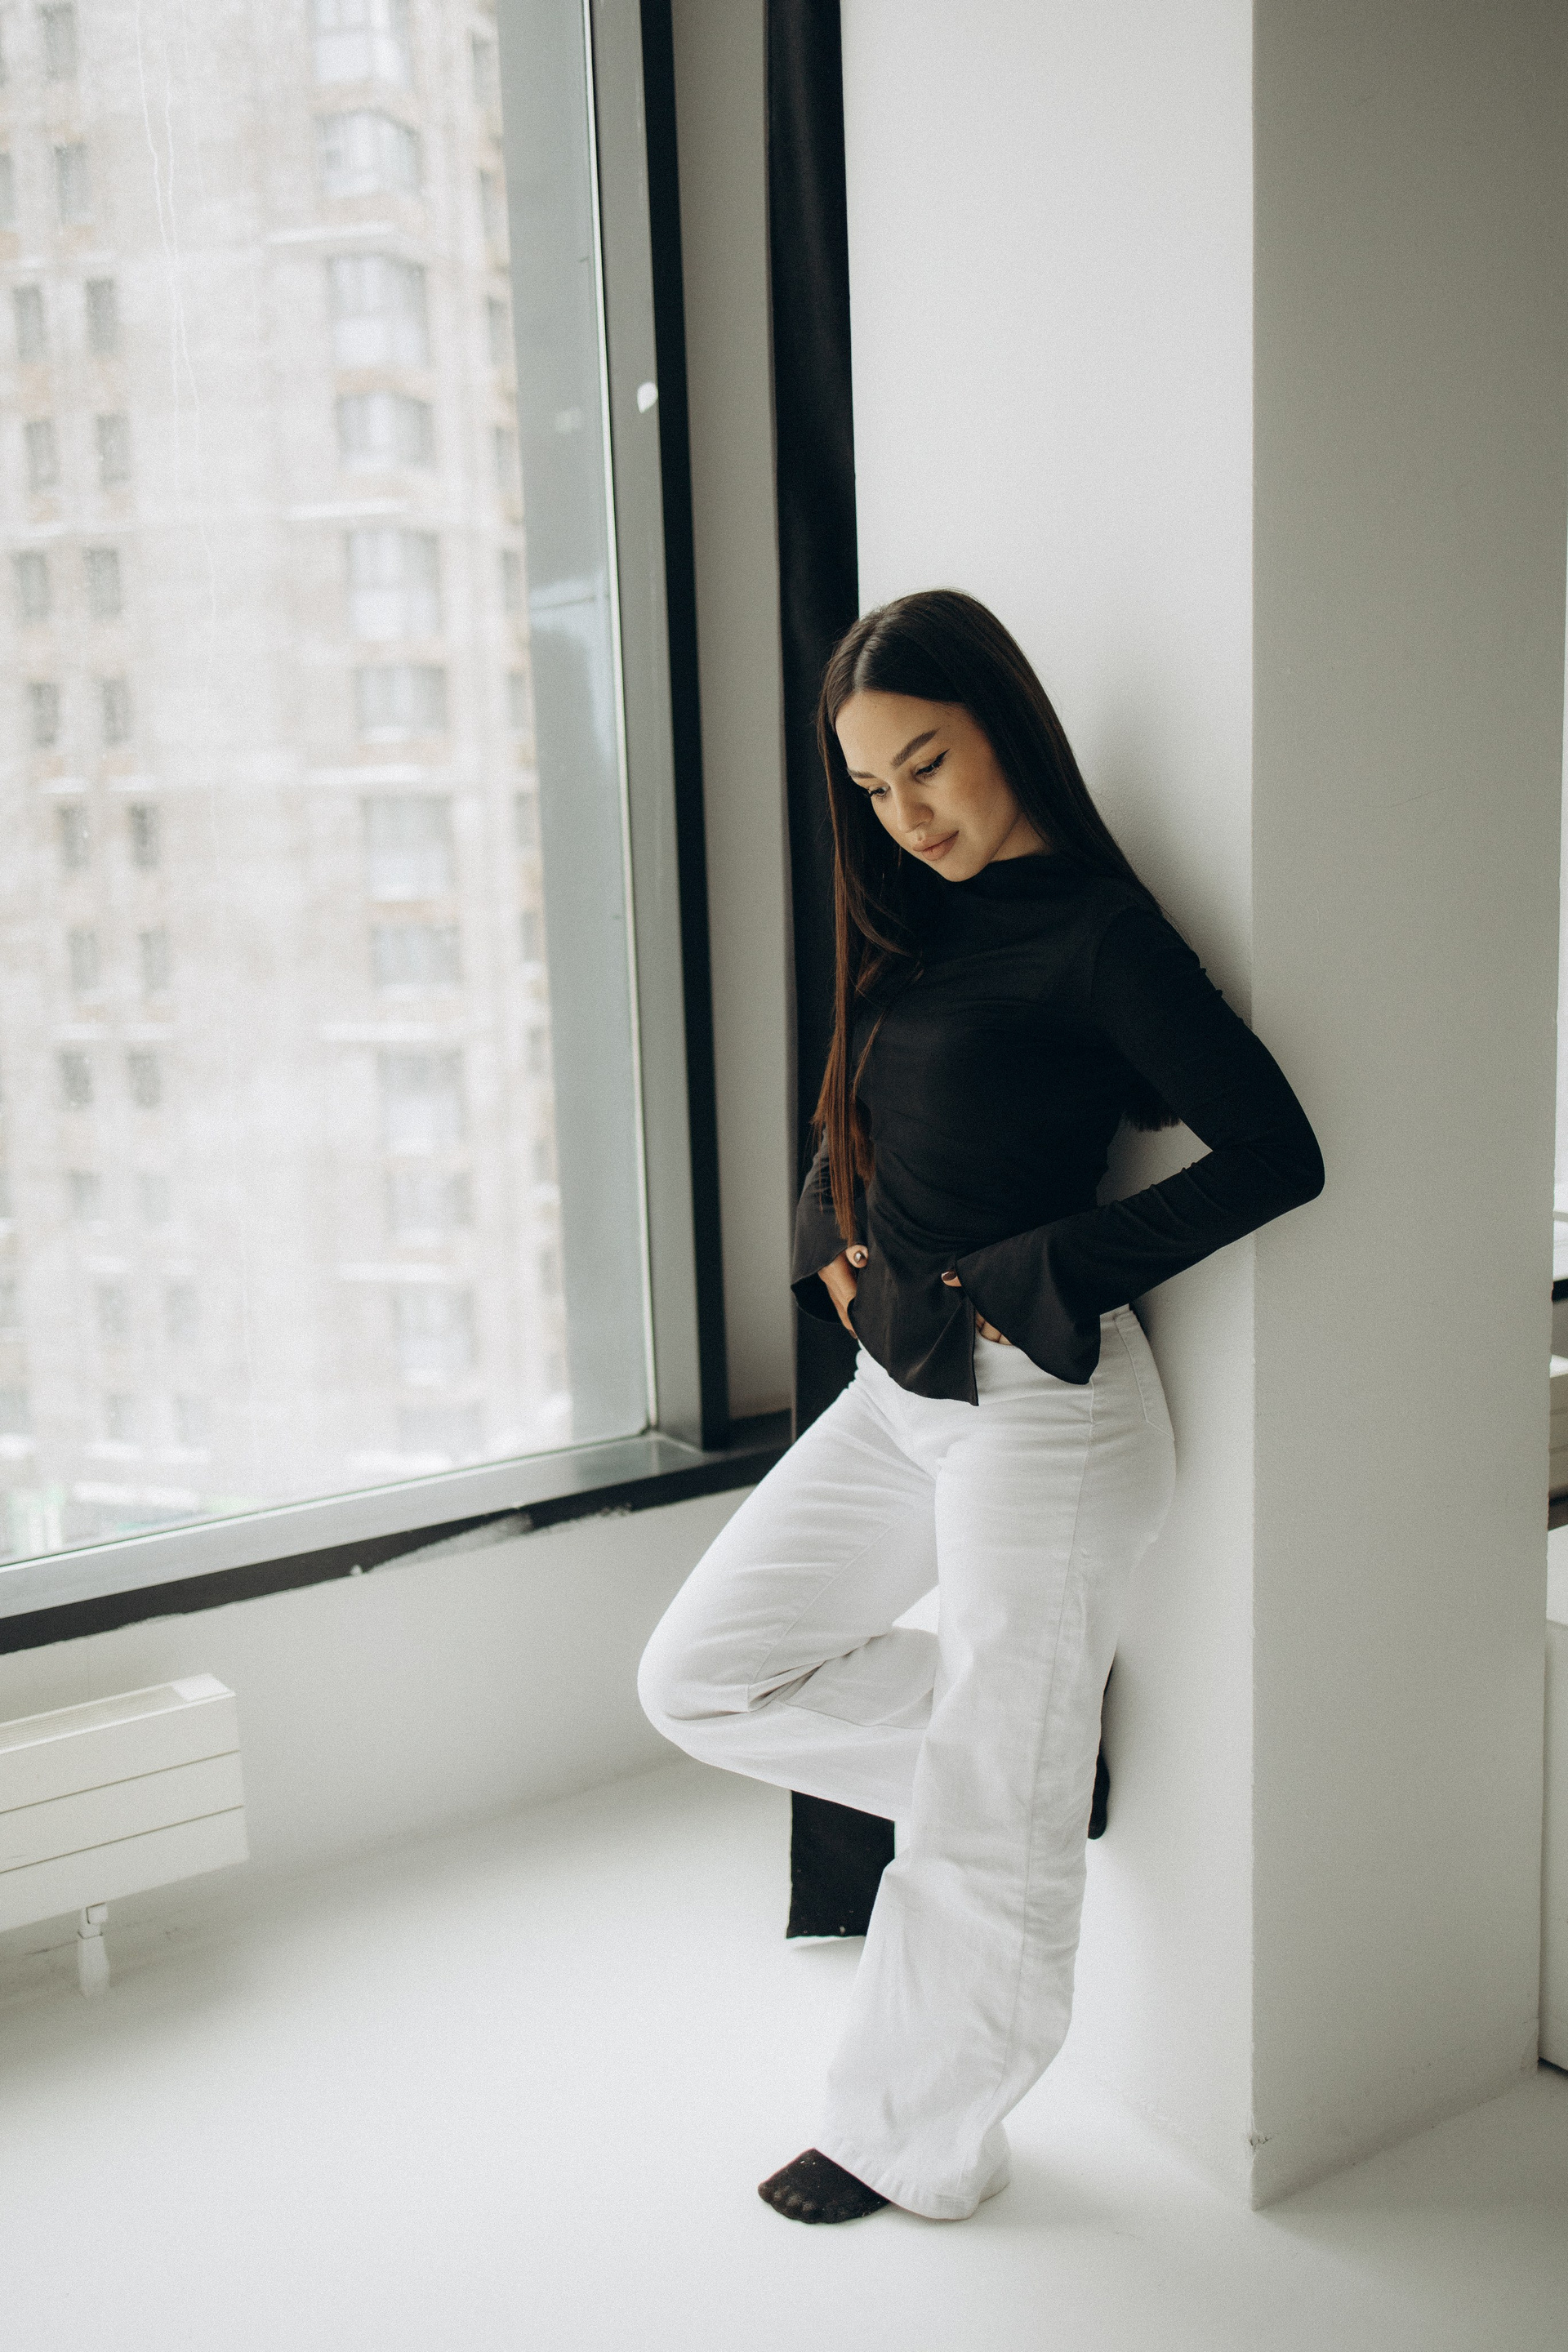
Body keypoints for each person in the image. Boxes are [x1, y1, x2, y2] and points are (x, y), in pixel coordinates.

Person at [637, 589, 1325, 2225]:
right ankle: (1028, 1770)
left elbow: (1278, 1155)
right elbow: (860, 1114)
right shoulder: (918, 922)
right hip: (901, 1387)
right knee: (700, 1678)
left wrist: (1049, 1266)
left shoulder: (1098, 934)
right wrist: (825, 1233)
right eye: (874, 787)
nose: (908, 813)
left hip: (1042, 1413)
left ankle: (913, 2142)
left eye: (929, 764)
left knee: (979, 1810)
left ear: (1005, 726)